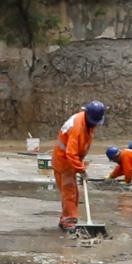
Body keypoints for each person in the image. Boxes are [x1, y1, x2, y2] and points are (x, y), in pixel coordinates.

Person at [51, 99, 107, 231]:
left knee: (74, 193)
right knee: (70, 192)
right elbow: (71, 153)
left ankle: (66, 218)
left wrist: (80, 164)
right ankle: (69, 221)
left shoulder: (88, 122)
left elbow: (79, 149)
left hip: (71, 162)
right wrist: (80, 169)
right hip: (64, 162)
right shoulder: (77, 127)